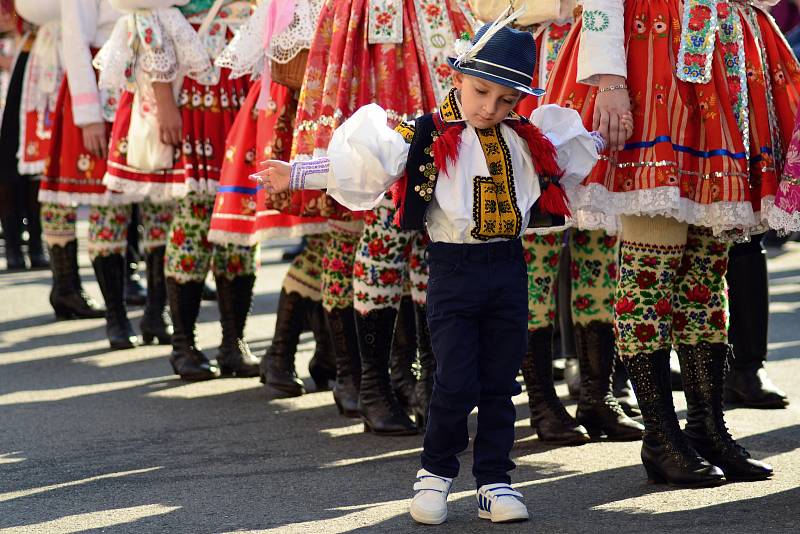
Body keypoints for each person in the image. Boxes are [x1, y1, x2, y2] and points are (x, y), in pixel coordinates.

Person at [256, 15, 600, 524]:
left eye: (506, 100)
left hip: (508, 270)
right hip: (454, 272)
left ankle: (495, 481)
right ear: (456, 76)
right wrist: (299, 172)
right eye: (481, 91)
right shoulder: (423, 134)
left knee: (501, 382)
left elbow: (579, 157)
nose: (490, 108)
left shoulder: (528, 138)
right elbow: (366, 163)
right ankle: (434, 475)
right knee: (456, 381)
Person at [543, 0, 793, 485]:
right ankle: (660, 437)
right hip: (649, 53)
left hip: (721, 57)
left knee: (706, 268)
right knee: (652, 264)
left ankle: (706, 427)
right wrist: (609, 81)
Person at [96, 0, 259, 379]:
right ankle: (184, 345)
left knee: (240, 216)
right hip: (192, 91)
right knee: (196, 214)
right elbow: (145, 10)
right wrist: (164, 97)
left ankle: (234, 342)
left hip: (237, 83)